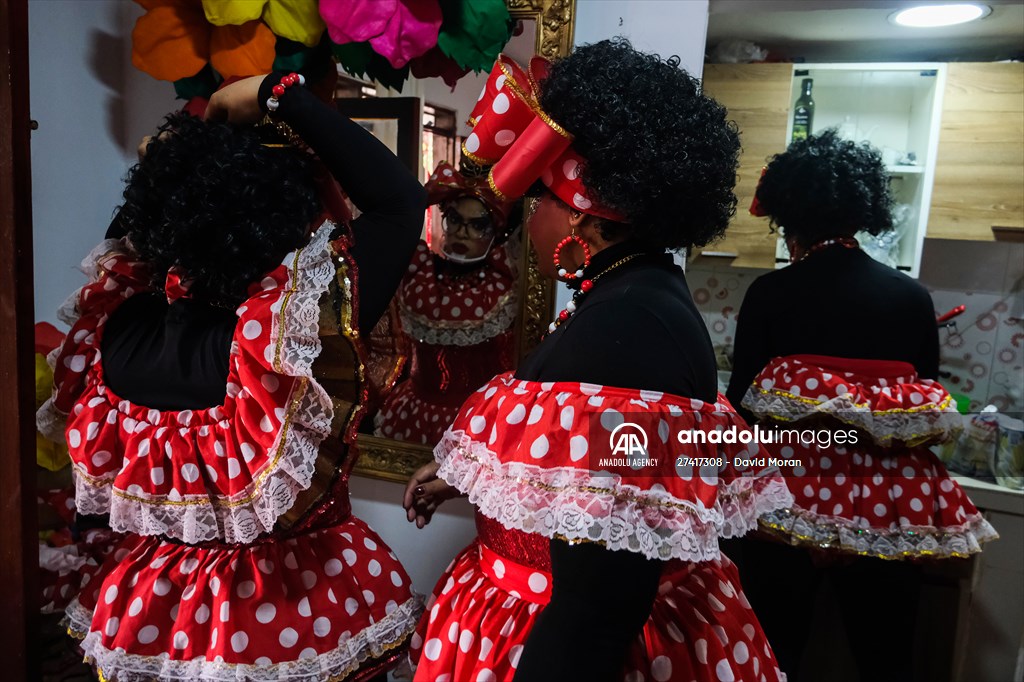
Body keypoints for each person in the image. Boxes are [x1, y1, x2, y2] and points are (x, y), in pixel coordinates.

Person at [401, 39, 794, 682]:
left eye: (539, 202)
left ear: (581, 217)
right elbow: (587, 476)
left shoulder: (629, 326)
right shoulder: (631, 298)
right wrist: (480, 480)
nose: (528, 220)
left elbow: (599, 597)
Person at [37, 71, 426, 681]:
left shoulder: (116, 317)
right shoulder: (292, 331)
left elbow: (136, 231)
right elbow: (401, 203)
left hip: (158, 603)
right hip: (296, 602)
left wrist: (173, 162)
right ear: (288, 211)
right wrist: (281, 92)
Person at [725, 130, 998, 680]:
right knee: (885, 657)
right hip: (887, 509)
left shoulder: (771, 294)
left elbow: (738, 410)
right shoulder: (911, 297)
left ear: (788, 211)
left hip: (784, 499)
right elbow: (921, 412)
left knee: (772, 654)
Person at [374, 161, 519, 445]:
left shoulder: (504, 286)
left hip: (480, 419)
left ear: (496, 231)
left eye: (477, 225)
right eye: (455, 219)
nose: (462, 232)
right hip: (414, 411)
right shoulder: (419, 273)